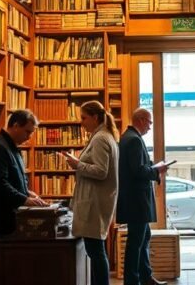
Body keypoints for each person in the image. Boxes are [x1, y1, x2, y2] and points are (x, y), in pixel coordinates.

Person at [0, 109, 46, 285]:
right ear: (15, 125)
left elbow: (14, 179)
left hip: (8, 220)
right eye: (27, 131)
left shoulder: (11, 148)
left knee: (5, 268)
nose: (29, 137)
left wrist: (27, 192)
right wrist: (24, 199)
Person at [63, 101, 119, 285]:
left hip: (95, 203)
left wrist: (77, 164)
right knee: (96, 250)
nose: (82, 122)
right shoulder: (103, 136)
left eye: (84, 118)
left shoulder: (100, 138)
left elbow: (101, 171)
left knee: (95, 251)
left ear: (95, 117)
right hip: (96, 201)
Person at [117, 108, 169, 285]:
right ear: (140, 120)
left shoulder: (128, 138)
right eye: (149, 122)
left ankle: (146, 277)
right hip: (137, 201)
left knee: (143, 238)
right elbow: (138, 170)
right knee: (136, 243)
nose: (150, 126)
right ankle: (132, 281)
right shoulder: (134, 141)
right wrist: (157, 171)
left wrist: (153, 166)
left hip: (134, 200)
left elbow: (137, 166)